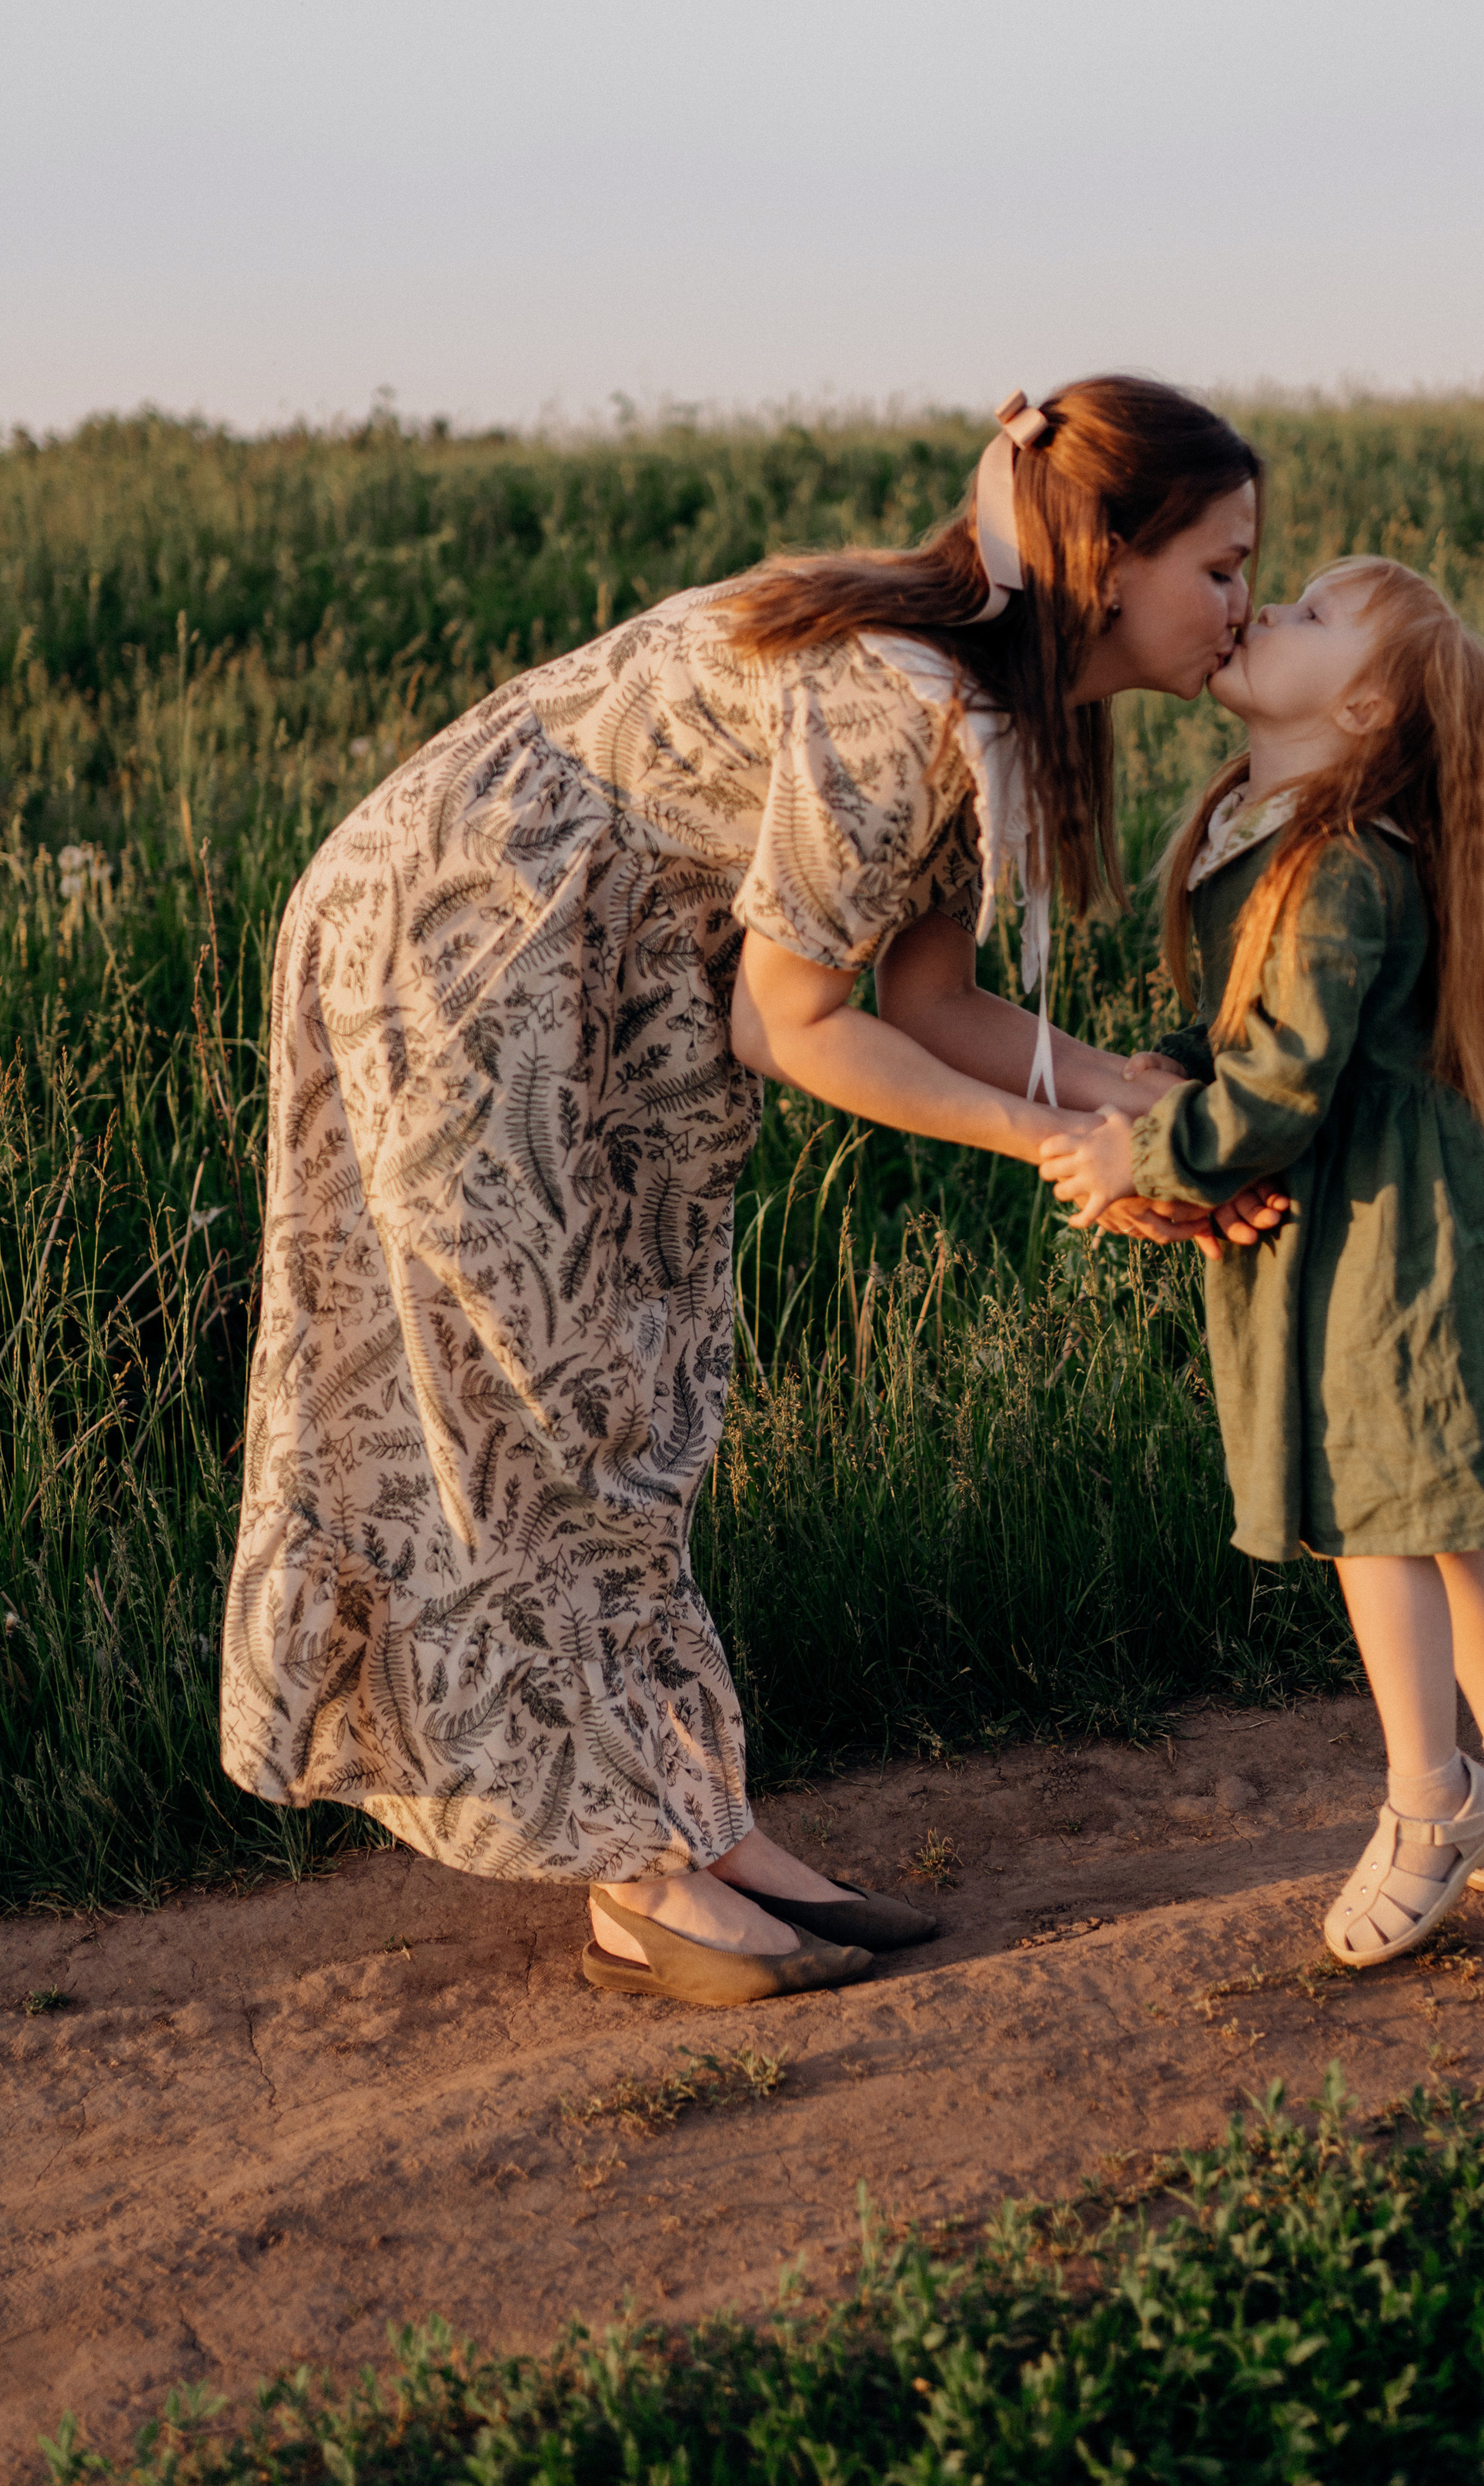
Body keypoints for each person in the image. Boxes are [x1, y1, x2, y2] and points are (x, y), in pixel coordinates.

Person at [219, 377, 1282, 2008]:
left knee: (636, 1392)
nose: (1243, 606)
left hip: (588, 976)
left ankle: (693, 1821)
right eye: (1220, 565)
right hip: (471, 952)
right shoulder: (897, 694)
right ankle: (635, 1877)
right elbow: (792, 1025)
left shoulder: (994, 705)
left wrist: (1123, 1100)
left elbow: (930, 1006)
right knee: (539, 1403)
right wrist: (1060, 1144)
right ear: (1107, 557)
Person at [1038, 556, 1484, 1970]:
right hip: (1387, 1213)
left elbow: (1289, 1085)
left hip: (1392, 1233)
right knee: (1436, 1509)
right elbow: (1266, 1039)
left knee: (1381, 1518)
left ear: (1363, 706)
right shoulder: (1285, 830)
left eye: (1307, 615)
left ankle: (1437, 1804)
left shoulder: (1345, 863)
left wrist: (1153, 1157)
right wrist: (1167, 1071)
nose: (1268, 614)